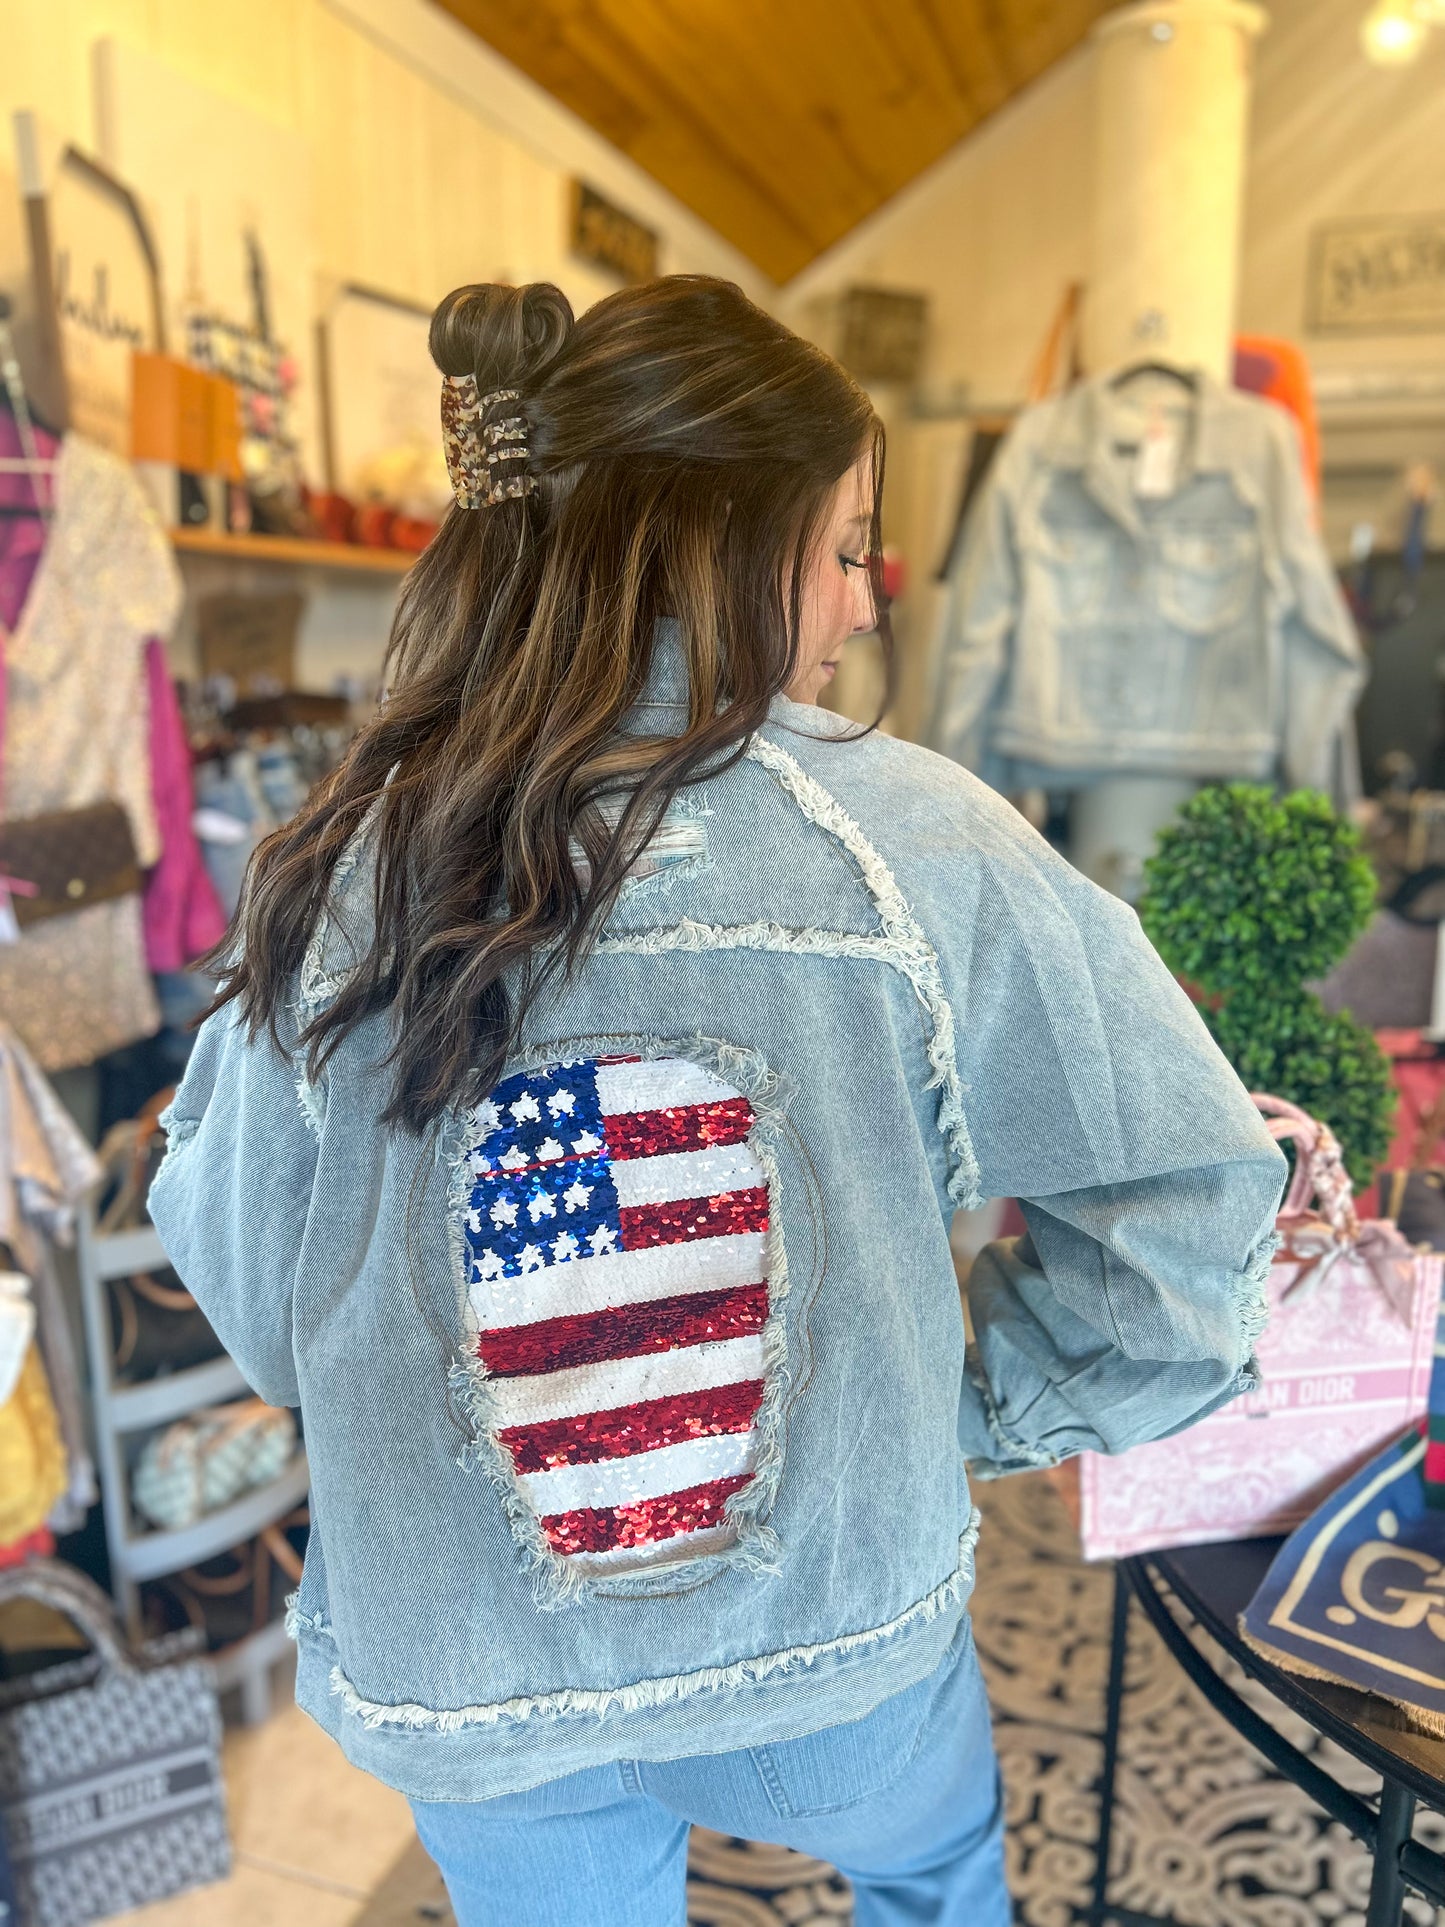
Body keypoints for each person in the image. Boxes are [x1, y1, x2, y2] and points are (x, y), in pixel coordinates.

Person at [149, 276, 1287, 1927]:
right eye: (844, 549)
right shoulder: (919, 842)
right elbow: (1187, 1216)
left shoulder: (341, 868)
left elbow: (262, 1287)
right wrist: (960, 1412)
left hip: (470, 1672)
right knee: (935, 1877)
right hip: (830, 1644)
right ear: (724, 544)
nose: (861, 606)